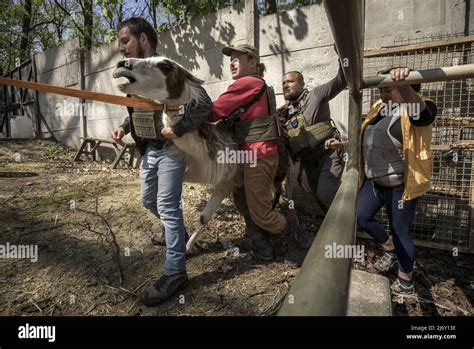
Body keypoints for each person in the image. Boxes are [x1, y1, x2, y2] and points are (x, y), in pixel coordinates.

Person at [111, 17, 212, 306]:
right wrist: (124, 126)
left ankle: (175, 272)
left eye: (126, 41)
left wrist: (179, 129)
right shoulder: (136, 75)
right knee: (147, 201)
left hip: (172, 149)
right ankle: (178, 236)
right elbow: (139, 108)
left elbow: (204, 102)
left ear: (144, 39)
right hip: (149, 150)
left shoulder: (167, 68)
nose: (122, 49)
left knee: (168, 206)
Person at [325, 67, 437, 295]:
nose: (382, 96)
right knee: (359, 215)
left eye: (388, 90)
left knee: (400, 230)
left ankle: (406, 282)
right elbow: (369, 139)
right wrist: (343, 144)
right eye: (380, 90)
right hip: (375, 181)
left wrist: (405, 85)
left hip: (400, 186)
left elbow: (423, 117)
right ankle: (390, 249)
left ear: (407, 87)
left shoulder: (417, 107)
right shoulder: (380, 108)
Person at [208, 44, 313, 266]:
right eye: (231, 59)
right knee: (242, 200)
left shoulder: (247, 83)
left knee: (261, 213)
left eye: (238, 58)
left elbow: (213, 112)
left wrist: (183, 110)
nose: (231, 62)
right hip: (249, 155)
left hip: (258, 155)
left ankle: (304, 243)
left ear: (253, 63)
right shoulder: (257, 85)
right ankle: (260, 244)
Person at [278, 54, 347, 216]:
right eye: (283, 83)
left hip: (328, 155)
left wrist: (343, 55)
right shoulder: (285, 112)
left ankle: (352, 225)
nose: (285, 85)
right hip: (308, 161)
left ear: (302, 84)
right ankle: (334, 229)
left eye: (290, 81)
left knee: (325, 195)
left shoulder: (316, 95)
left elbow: (342, 81)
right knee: (318, 197)